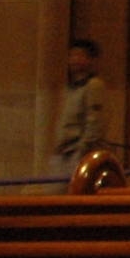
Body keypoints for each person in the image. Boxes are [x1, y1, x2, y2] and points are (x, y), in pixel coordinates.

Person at [54, 38, 110, 177]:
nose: (75, 60)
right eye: (72, 56)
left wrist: (82, 149)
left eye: (80, 56)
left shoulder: (93, 85)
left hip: (78, 152)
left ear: (91, 60)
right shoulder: (71, 87)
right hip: (65, 151)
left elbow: (95, 121)